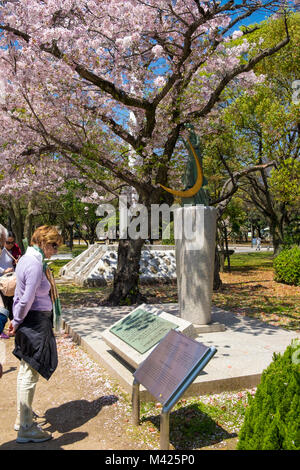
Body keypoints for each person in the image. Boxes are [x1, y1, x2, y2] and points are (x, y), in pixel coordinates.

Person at [8, 225, 63, 443]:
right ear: (42, 242)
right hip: (33, 322)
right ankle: (26, 427)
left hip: (30, 320)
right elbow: (26, 297)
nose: (55, 250)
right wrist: (18, 320)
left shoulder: (29, 259)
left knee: (25, 371)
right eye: (53, 245)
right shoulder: (33, 262)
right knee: (29, 374)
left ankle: (23, 417)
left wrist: (17, 320)